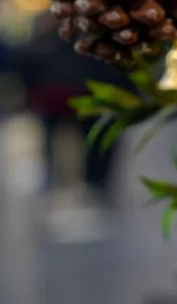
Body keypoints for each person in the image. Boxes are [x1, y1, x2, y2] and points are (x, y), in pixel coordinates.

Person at [18, 14, 124, 237]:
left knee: (74, 144)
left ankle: (80, 185)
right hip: (68, 96)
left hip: (65, 96)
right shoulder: (83, 31)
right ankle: (83, 185)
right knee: (79, 144)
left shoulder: (53, 31)